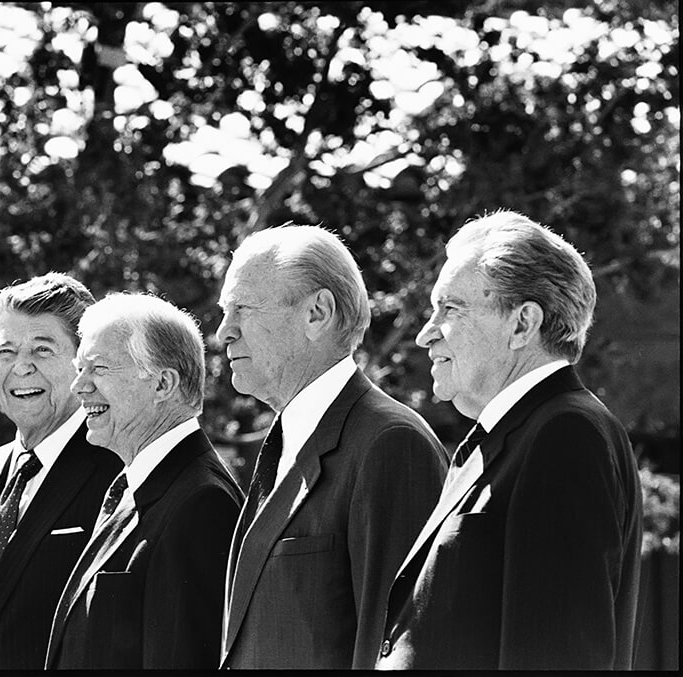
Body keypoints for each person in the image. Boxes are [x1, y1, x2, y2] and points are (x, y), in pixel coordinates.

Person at [376, 210, 643, 670]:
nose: (425, 334)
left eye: (450, 309)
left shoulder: (565, 435)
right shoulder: (516, 435)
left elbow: (558, 656)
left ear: (522, 324)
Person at [217, 224, 448, 669]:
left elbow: (396, 648)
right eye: (226, 312)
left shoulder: (391, 444)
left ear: (317, 313)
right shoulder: (287, 439)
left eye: (242, 308)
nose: (223, 332)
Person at [45, 293, 243, 669]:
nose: (78, 386)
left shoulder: (202, 505)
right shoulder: (137, 485)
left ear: (163, 384)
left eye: (98, 368)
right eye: (79, 369)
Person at [0, 273, 122, 669]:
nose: (21, 367)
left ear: (83, 362)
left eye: (42, 350)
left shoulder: (117, 470)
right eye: (6, 351)